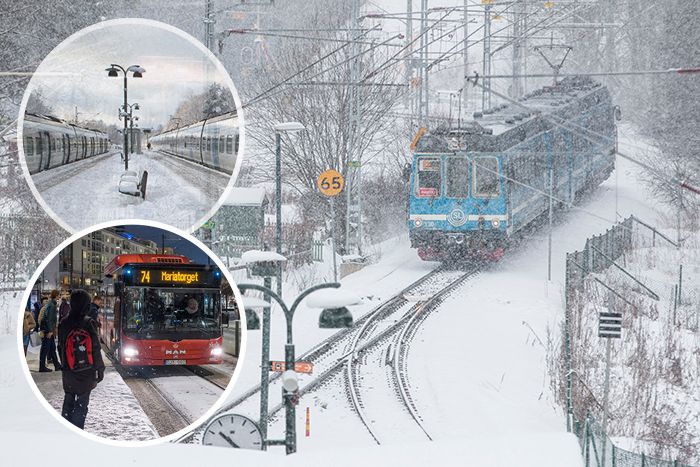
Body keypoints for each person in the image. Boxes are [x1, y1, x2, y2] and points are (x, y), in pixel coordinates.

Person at [58, 290, 105, 430]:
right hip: (86, 370)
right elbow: (96, 348)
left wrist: (66, 365)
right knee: (82, 404)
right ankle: (77, 430)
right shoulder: (88, 322)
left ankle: (66, 428)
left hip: (69, 371)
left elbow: (60, 346)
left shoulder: (64, 322)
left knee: (68, 400)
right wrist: (100, 369)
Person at [39, 290, 61, 372]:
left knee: (52, 348)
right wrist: (50, 331)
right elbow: (49, 319)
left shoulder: (51, 304)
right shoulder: (52, 305)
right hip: (48, 331)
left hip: (48, 330)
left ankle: (57, 365)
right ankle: (42, 367)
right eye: (59, 295)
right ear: (56, 295)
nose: (59, 296)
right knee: (45, 349)